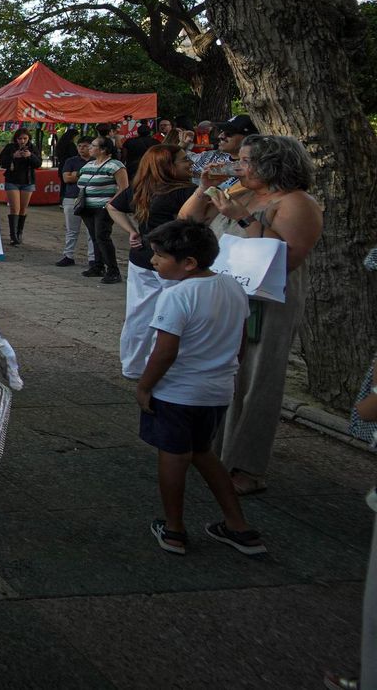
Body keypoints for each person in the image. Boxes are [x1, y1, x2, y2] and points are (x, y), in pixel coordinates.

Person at [179, 132, 323, 497]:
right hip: (226, 299)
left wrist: (242, 218)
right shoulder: (240, 191)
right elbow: (188, 222)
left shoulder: (297, 203)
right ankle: (212, 452)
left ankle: (247, 466)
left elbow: (287, 258)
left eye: (245, 161)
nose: (237, 166)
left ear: (272, 165)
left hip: (267, 304)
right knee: (222, 375)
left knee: (258, 380)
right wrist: (203, 189)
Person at [135, 219, 264, 558]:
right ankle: (238, 525)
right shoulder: (233, 287)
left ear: (188, 263)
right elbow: (240, 341)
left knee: (174, 457)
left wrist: (145, 386)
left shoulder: (177, 295)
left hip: (178, 392)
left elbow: (165, 350)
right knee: (204, 453)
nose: (153, 262)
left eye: (160, 257)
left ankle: (174, 528)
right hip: (217, 391)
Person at [107, 145, 197, 378]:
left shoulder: (141, 188)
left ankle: (134, 366)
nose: (190, 164)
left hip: (143, 257)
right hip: (173, 260)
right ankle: (159, 367)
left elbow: (112, 206)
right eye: (184, 160)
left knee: (139, 313)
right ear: (168, 166)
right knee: (172, 315)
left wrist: (132, 231)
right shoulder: (186, 192)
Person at [77, 135, 129, 284]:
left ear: (103, 149)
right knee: (94, 237)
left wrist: (111, 203)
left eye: (93, 146)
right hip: (87, 207)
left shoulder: (115, 165)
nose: (89, 148)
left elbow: (124, 187)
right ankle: (98, 266)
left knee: (102, 236)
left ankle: (113, 270)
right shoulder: (88, 165)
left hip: (103, 207)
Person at [55, 137, 97, 268]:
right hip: (72, 197)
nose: (81, 149)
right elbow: (66, 178)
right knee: (71, 229)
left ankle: (93, 258)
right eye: (79, 146)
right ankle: (68, 255)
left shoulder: (97, 161)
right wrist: (83, 174)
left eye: (85, 146)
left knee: (92, 230)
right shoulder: (71, 161)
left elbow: (96, 178)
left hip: (92, 198)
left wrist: (76, 175)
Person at [0, 128, 42, 245]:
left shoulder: (32, 148)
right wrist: (13, 156)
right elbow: (2, 162)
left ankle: (19, 233)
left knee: (23, 208)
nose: (22, 141)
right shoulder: (10, 147)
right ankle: (13, 236)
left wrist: (30, 156)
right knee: (14, 208)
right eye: (20, 138)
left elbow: (38, 164)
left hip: (28, 181)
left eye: (25, 138)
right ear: (16, 139)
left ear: (29, 139)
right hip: (13, 181)